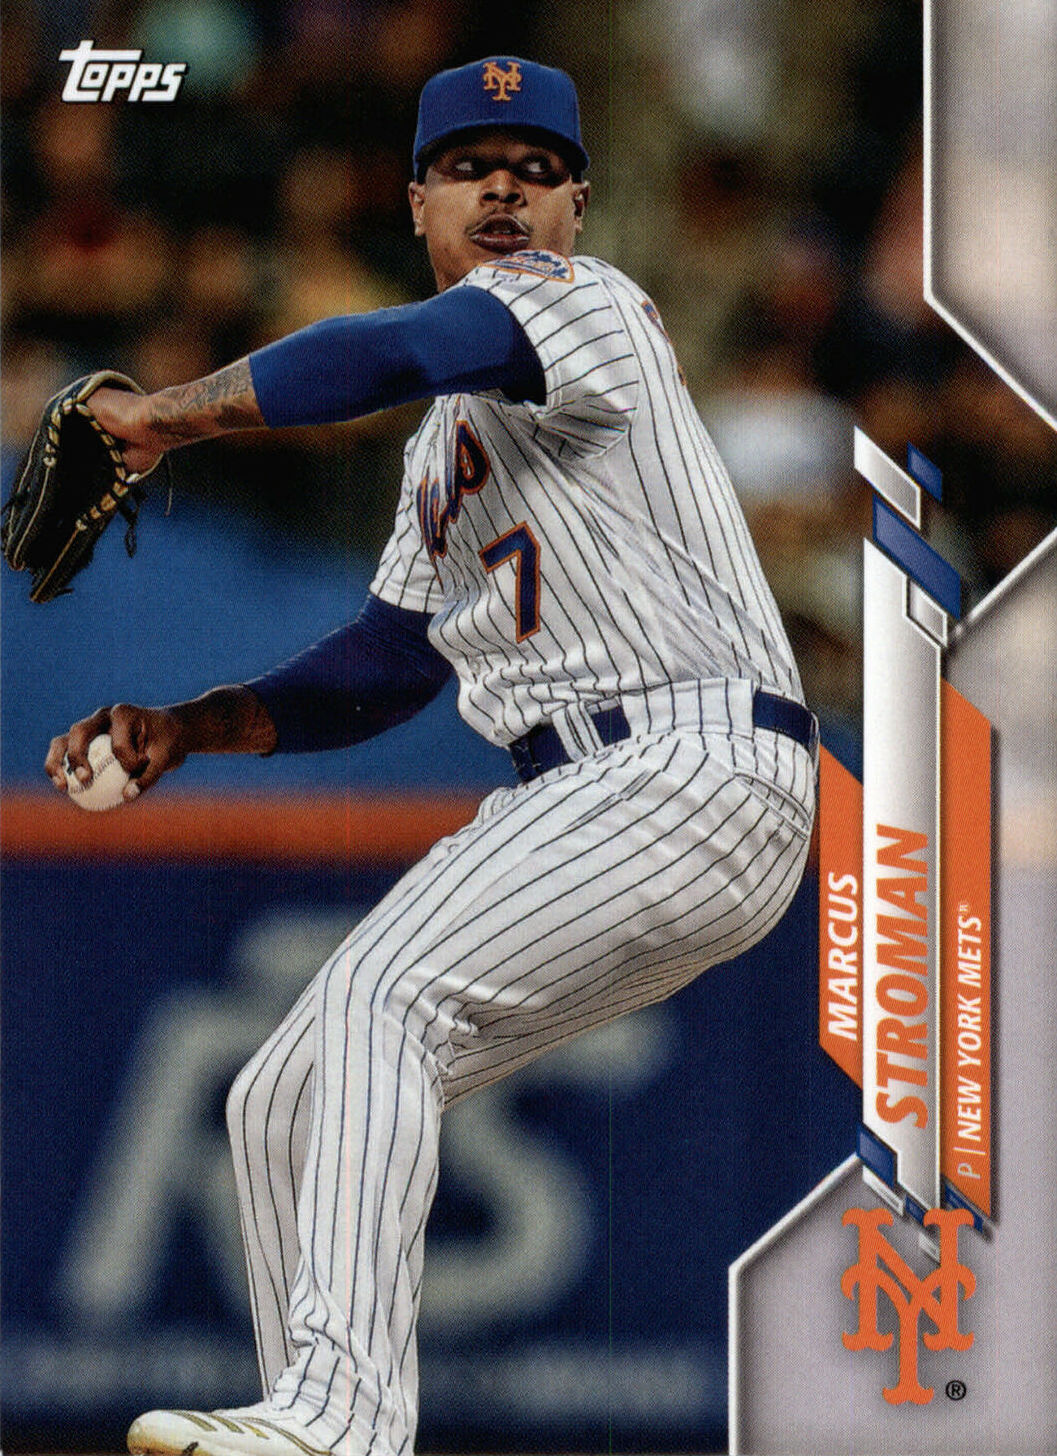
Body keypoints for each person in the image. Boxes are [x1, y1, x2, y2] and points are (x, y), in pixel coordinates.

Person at [48, 57, 818, 1456]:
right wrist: (191, 727)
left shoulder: (584, 306)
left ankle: (345, 1420)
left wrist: (162, 417)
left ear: (578, 205)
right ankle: (302, 1428)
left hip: (685, 760)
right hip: (600, 794)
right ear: (417, 202)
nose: (505, 190)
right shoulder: (440, 455)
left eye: (536, 168)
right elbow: (387, 664)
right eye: (470, 167)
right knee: (281, 1091)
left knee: (378, 1002)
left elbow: (391, 350)